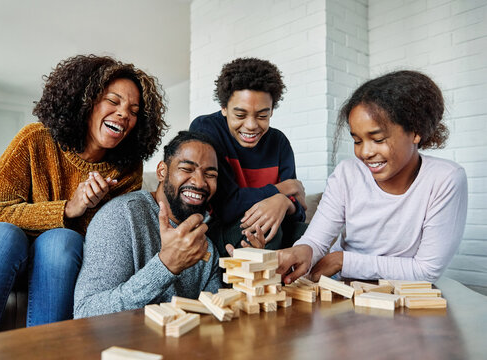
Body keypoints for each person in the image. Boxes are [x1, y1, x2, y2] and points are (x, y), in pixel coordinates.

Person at [0, 55, 167, 343]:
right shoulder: (35, 139)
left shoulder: (126, 170)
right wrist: (69, 208)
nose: (124, 114)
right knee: (1, 235)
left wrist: (89, 211)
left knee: (61, 241)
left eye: (134, 110)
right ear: (87, 101)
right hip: (3, 259)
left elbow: (111, 248)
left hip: (60, 267)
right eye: (112, 101)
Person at [278, 70, 468, 284]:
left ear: (416, 132)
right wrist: (302, 250)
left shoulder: (445, 179)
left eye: (377, 139)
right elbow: (316, 240)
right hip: (345, 290)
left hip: (404, 295)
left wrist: (343, 261)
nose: (365, 153)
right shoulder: (347, 174)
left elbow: (426, 270)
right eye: (357, 141)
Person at [74, 131, 224, 318]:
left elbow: (218, 317)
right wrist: (165, 266)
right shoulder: (122, 217)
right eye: (186, 169)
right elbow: (85, 312)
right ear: (162, 171)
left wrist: (253, 276)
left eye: (210, 174)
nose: (200, 182)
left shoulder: (205, 242)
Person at [190, 58, 308, 258]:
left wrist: (283, 202)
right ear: (224, 108)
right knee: (264, 229)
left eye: (262, 116)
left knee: (307, 237)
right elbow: (226, 207)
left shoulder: (279, 143)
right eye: (240, 115)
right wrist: (284, 189)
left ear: (271, 110)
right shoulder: (206, 129)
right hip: (222, 230)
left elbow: (299, 212)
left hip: (267, 225)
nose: (252, 125)